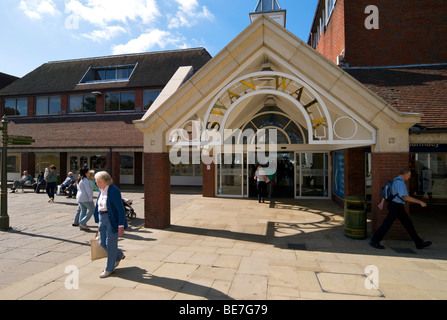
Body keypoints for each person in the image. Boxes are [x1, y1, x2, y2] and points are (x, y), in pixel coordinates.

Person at [370, 169, 432, 250]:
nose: (409, 177)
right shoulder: (400, 183)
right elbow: (405, 197)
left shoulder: (394, 181)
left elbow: (387, 193)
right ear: (405, 174)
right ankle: (374, 241)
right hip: (396, 206)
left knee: (408, 224)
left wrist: (382, 202)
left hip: (395, 206)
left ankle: (418, 243)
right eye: (409, 175)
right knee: (388, 224)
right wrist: (419, 201)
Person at [94, 171, 127, 278]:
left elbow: (120, 209)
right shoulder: (101, 190)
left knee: (110, 245)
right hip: (102, 218)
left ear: (105, 181)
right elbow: (99, 205)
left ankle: (109, 269)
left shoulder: (113, 190)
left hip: (111, 220)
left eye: (98, 181)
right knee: (102, 243)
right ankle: (119, 255)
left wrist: (121, 225)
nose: (96, 183)